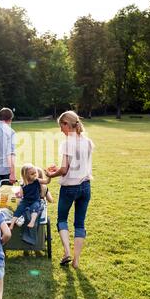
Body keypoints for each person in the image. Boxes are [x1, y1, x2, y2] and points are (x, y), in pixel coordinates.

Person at [45, 111, 94, 269]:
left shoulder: (67, 143)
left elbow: (65, 170)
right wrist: (58, 168)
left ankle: (67, 252)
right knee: (80, 223)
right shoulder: (87, 141)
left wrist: (51, 173)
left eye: (61, 126)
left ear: (67, 124)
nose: (61, 130)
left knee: (62, 219)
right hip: (86, 187)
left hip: (69, 188)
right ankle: (76, 260)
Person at [9, 164, 51, 229]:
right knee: (19, 210)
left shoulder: (37, 181)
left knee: (35, 208)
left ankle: (32, 222)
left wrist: (49, 176)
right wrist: (18, 195)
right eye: (32, 174)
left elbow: (46, 182)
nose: (35, 174)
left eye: (35, 173)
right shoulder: (23, 184)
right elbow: (21, 195)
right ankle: (11, 224)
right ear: (26, 176)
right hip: (25, 201)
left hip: (35, 200)